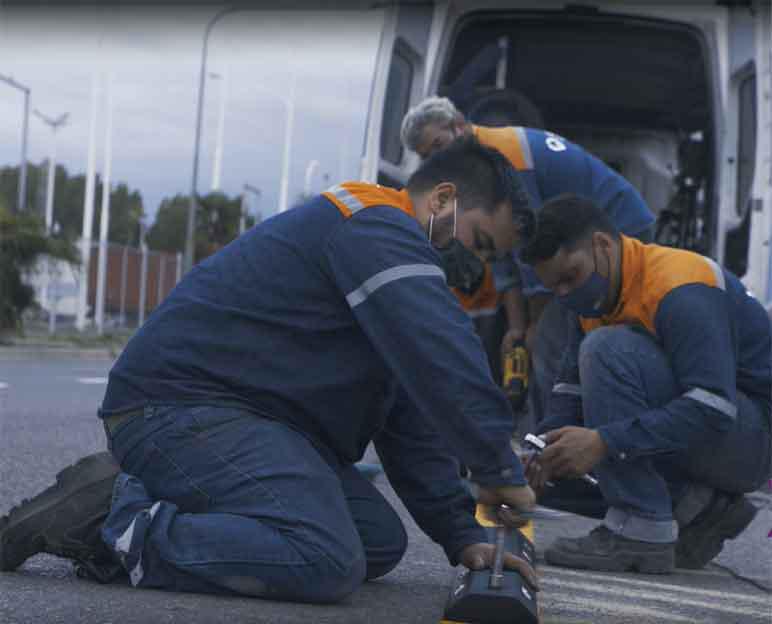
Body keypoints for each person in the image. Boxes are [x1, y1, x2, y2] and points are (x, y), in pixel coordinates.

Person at [0, 137, 540, 602]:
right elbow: (441, 352)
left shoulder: (382, 257)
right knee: (325, 558)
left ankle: (154, 495)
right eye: (480, 241)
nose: (476, 265)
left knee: (376, 540)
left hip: (244, 420)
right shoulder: (374, 225)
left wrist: (458, 532)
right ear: (443, 199)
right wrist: (497, 470)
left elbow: (407, 417)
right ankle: (111, 519)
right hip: (177, 408)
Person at [519, 194, 771, 573]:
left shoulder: (681, 287)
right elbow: (569, 391)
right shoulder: (593, 298)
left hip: (752, 439)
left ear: (603, 245)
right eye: (554, 287)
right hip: (714, 433)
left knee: (608, 349)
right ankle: (700, 509)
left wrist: (605, 441)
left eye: (570, 277)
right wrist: (539, 451)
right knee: (563, 467)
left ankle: (640, 531)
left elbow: (712, 408)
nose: (565, 294)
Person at [400, 96, 656, 432]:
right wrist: (517, 327)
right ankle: (558, 439)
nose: (438, 159)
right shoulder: (475, 169)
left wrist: (534, 324)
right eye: (427, 156)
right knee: (556, 337)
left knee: (553, 341)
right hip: (582, 233)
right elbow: (503, 253)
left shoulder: (505, 155)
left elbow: (533, 245)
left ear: (459, 125)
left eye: (439, 145)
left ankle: (559, 442)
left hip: (619, 224)